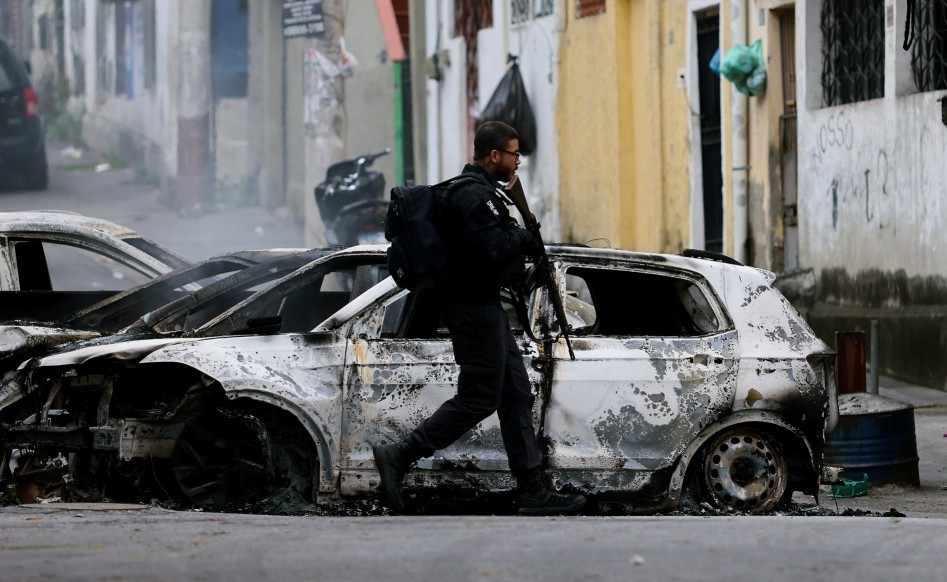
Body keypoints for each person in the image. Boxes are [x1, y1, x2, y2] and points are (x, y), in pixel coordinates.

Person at [372, 121, 587, 515]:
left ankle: (534, 490)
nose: (517, 161)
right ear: (494, 156)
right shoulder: (474, 196)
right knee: (480, 396)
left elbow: (489, 251)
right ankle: (400, 455)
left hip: (483, 304)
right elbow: (492, 248)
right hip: (471, 306)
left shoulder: (481, 194)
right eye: (513, 154)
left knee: (516, 394)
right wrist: (526, 237)